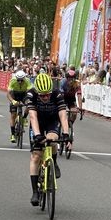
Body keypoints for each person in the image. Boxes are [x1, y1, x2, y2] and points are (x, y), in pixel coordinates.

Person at [25, 73, 71, 206]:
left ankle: (54, 163)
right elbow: (32, 117)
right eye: (42, 95)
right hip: (38, 122)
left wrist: (66, 134)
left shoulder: (57, 94)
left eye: (47, 94)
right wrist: (38, 135)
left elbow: (63, 116)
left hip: (52, 121)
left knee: (52, 139)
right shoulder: (31, 95)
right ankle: (35, 192)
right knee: (35, 156)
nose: (45, 97)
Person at [7, 70, 32, 143]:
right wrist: (13, 101)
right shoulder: (13, 81)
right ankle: (12, 134)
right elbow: (8, 94)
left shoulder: (27, 80)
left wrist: (29, 101)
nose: (20, 82)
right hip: (14, 94)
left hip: (24, 94)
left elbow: (30, 92)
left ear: (24, 78)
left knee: (29, 103)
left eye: (22, 80)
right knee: (13, 115)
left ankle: (24, 118)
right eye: (18, 80)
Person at [60, 70, 83, 147]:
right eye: (69, 78)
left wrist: (80, 108)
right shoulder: (63, 82)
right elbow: (61, 95)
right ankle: (60, 127)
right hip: (63, 99)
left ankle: (69, 126)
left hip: (71, 100)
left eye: (73, 78)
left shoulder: (77, 84)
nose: (71, 80)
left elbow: (79, 96)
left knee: (74, 113)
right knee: (63, 113)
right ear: (66, 78)